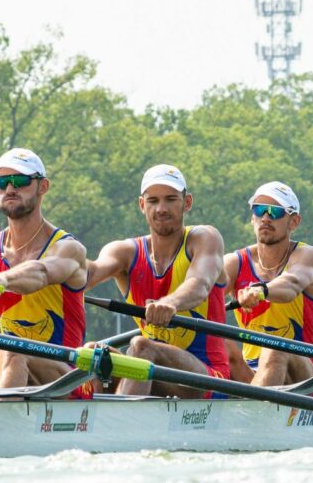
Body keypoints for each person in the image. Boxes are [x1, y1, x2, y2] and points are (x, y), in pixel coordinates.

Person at [0, 148, 91, 396]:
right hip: (12, 365)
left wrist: (3, 278)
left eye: (20, 181)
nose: (10, 189)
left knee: (13, 347)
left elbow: (40, 273)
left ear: (43, 187)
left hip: (69, 380)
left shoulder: (68, 248)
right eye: (1, 182)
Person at [85, 164, 228, 397]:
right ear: (142, 205)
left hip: (208, 378)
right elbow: (89, 274)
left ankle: (119, 424)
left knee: (141, 346)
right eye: (153, 201)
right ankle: (93, 426)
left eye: (170, 199)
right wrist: (53, 269)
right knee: (94, 353)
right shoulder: (124, 251)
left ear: (187, 202)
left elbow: (199, 284)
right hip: (155, 372)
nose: (161, 209)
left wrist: (171, 303)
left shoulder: (204, 238)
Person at [224, 181, 313, 386]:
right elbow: (204, 292)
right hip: (250, 370)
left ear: (294, 222)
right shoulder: (234, 262)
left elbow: (292, 283)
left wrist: (261, 290)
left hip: (301, 374)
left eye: (275, 212)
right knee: (218, 343)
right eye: (260, 210)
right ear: (253, 218)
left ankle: (251, 413)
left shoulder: (308, 255)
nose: (266, 218)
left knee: (275, 347)